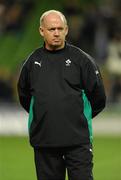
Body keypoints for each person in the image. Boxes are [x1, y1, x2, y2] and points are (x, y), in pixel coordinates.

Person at [17, 10, 106, 180]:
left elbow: (99, 98)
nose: (56, 33)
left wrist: (77, 118)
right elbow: (25, 97)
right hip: (45, 142)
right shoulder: (31, 62)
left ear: (66, 30)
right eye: (51, 29)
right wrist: (45, 114)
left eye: (60, 28)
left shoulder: (82, 60)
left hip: (78, 142)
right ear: (41, 31)